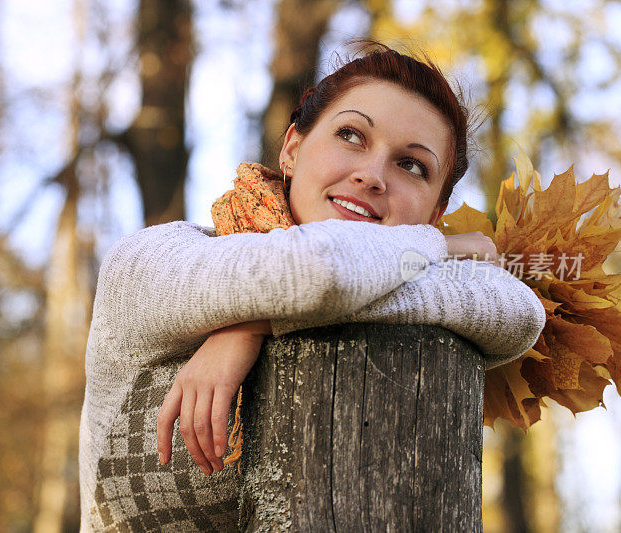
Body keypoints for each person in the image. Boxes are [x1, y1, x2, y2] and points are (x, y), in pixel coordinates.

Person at [78, 41, 546, 532]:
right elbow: (318, 271)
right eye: (351, 135)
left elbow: (517, 311)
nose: (372, 175)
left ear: (432, 213)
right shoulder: (150, 263)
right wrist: (441, 248)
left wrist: (255, 322)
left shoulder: (413, 262)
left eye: (412, 165)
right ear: (292, 149)